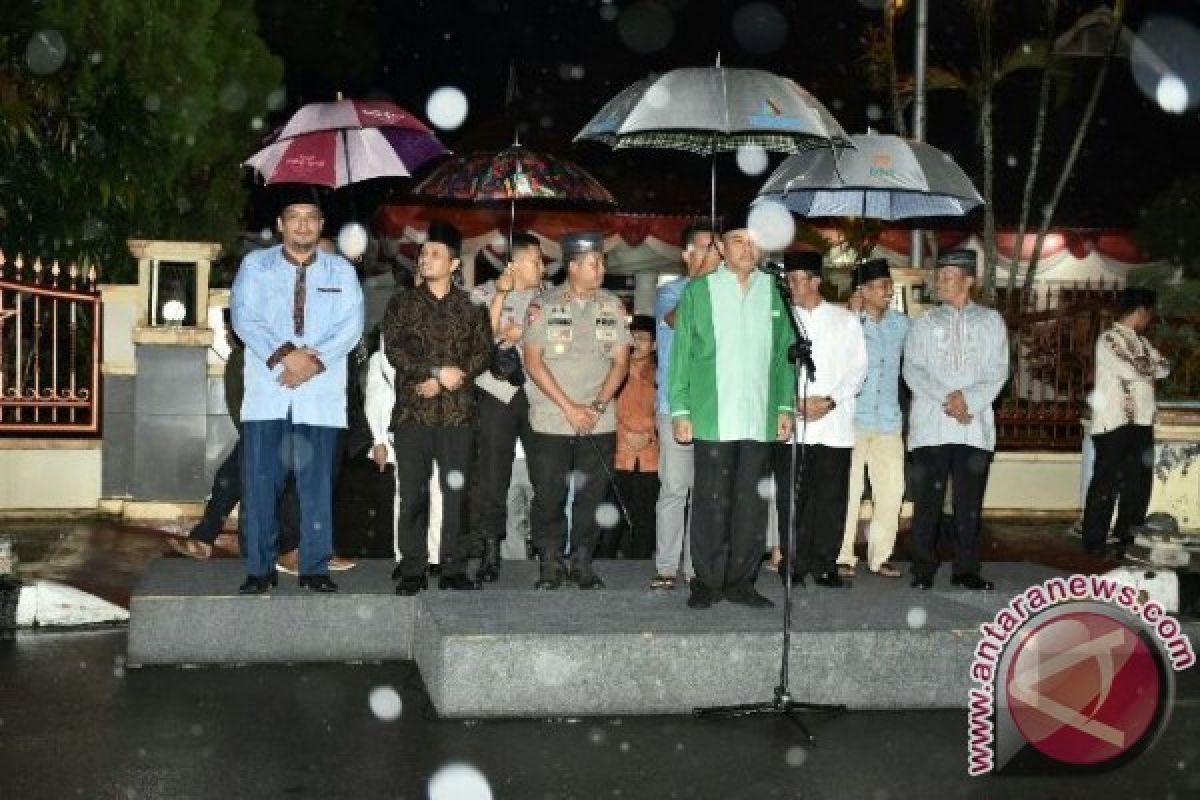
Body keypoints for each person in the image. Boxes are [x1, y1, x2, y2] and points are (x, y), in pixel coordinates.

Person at [230, 184, 364, 594]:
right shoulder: (256, 266)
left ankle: (314, 567)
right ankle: (259, 569)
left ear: (322, 225)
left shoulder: (341, 271)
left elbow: (351, 327)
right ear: (280, 224)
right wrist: (286, 354)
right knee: (260, 486)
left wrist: (311, 363)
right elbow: (244, 318)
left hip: (320, 398)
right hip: (268, 393)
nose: (303, 225)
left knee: (317, 487)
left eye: (311, 218)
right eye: (295, 217)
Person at [668, 212, 795, 609]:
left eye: (755, 242)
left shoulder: (774, 291)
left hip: (758, 415)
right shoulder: (700, 292)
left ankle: (741, 579)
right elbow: (682, 355)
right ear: (721, 247)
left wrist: (785, 405)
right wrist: (680, 409)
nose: (748, 249)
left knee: (751, 504)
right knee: (710, 501)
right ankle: (706, 580)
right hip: (711, 414)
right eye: (739, 241)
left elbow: (783, 357)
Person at [382, 221, 493, 595]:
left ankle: (453, 568)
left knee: (456, 493)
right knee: (413, 493)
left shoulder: (471, 305)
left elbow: (483, 350)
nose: (426, 259)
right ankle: (413, 567)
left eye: (435, 253)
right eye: (424, 252)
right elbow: (394, 350)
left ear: (454, 263)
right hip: (414, 412)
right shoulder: (403, 302)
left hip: (458, 413)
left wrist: (457, 374)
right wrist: (432, 372)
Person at [523, 232, 632, 589]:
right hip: (553, 418)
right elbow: (533, 362)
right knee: (549, 494)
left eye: (601, 261)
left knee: (592, 495)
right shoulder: (544, 305)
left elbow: (621, 361)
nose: (601, 268)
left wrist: (597, 405)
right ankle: (550, 562)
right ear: (572, 266)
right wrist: (570, 408)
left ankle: (583, 561)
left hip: (598, 419)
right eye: (593, 262)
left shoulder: (613, 306)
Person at [902, 249, 1008, 591]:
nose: (940, 281)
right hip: (932, 423)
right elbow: (912, 369)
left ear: (969, 281)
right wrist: (951, 398)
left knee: (969, 505)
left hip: (973, 426)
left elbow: (998, 371)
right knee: (927, 504)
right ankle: (922, 569)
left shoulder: (991, 321)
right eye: (939, 276)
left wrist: (969, 401)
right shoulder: (923, 322)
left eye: (948, 276)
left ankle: (966, 569)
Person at [773, 251, 867, 589]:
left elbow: (858, 370)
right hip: (793, 424)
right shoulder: (782, 319)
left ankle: (826, 564)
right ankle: (793, 564)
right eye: (788, 279)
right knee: (793, 498)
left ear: (816, 281)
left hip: (834, 424)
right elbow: (771, 369)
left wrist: (829, 400)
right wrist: (792, 402)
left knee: (830, 498)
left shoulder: (845, 320)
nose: (791, 285)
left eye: (798, 279)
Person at [467, 231, 546, 582]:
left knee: (546, 475)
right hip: (497, 395)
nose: (542, 267)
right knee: (492, 478)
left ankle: (548, 551)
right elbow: (478, 338)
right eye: (536, 260)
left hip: (539, 394)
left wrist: (522, 337)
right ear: (515, 263)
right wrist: (502, 294)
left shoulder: (551, 298)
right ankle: (489, 550)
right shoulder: (482, 293)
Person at [650, 219, 721, 589]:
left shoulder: (726, 294)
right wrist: (702, 279)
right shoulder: (672, 291)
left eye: (717, 248)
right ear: (687, 254)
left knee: (706, 493)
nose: (715, 255)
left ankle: (697, 568)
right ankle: (665, 566)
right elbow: (676, 320)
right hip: (674, 405)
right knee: (676, 487)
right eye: (707, 248)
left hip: (713, 408)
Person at [1081, 287, 1170, 557]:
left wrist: (1148, 368)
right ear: (1141, 311)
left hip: (1142, 422)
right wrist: (1149, 369)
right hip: (1113, 423)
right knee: (1106, 483)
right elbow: (1129, 369)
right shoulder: (1108, 339)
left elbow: (1164, 366)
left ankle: (1125, 540)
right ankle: (1094, 542)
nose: (1149, 319)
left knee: (1137, 485)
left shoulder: (1142, 343)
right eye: (1149, 313)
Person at [836, 258, 911, 580]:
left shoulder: (902, 324)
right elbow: (834, 358)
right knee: (849, 492)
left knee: (891, 491)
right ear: (862, 291)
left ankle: (880, 556)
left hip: (889, 421)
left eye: (889, 285)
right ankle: (842, 556)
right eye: (881, 286)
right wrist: (851, 315)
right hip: (853, 420)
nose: (888, 291)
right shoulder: (847, 322)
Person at [605, 313, 659, 560]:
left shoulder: (662, 374)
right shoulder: (611, 369)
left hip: (651, 456)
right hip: (617, 452)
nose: (637, 343)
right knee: (609, 517)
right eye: (632, 338)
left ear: (655, 345)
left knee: (645, 517)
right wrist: (626, 433)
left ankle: (640, 570)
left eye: (644, 339)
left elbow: (668, 410)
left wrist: (649, 433)